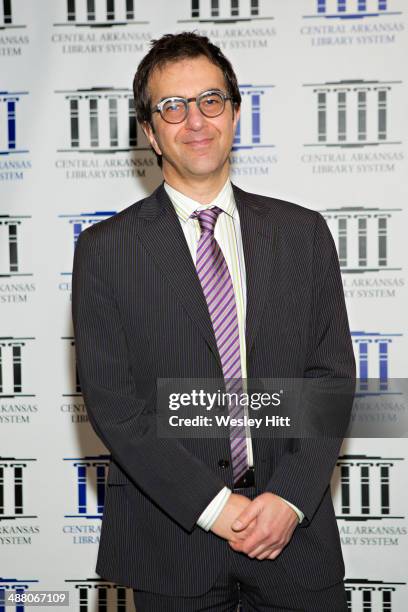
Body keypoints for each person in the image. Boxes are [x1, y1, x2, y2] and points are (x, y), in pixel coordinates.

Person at [72, 32, 355, 611]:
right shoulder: (106, 249)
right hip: (170, 541)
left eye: (210, 100)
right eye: (171, 107)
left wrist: (291, 497)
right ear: (149, 132)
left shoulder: (303, 235)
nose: (195, 120)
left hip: (293, 538)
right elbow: (113, 403)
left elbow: (330, 379)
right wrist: (213, 505)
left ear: (234, 113)